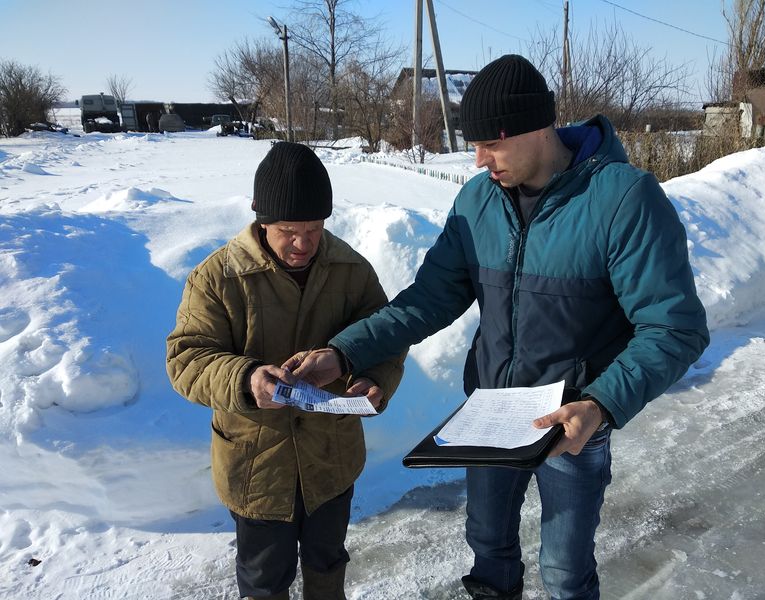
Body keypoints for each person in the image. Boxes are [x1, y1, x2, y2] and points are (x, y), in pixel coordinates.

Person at [287, 55, 710, 599]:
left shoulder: (623, 200)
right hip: (490, 416)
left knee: (564, 570)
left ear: (539, 128)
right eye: (474, 143)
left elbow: (674, 327)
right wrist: (342, 354)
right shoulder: (478, 200)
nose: (480, 158)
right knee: (487, 549)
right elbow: (426, 301)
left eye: (492, 143)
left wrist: (600, 405)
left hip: (570, 421)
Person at [166, 142, 405, 600]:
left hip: (330, 459)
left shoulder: (352, 272)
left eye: (314, 229)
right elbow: (186, 358)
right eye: (288, 230)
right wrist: (245, 378)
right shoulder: (217, 277)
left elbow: (387, 340)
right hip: (256, 468)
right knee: (263, 581)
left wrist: (375, 380)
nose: (303, 243)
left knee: (328, 565)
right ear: (261, 220)